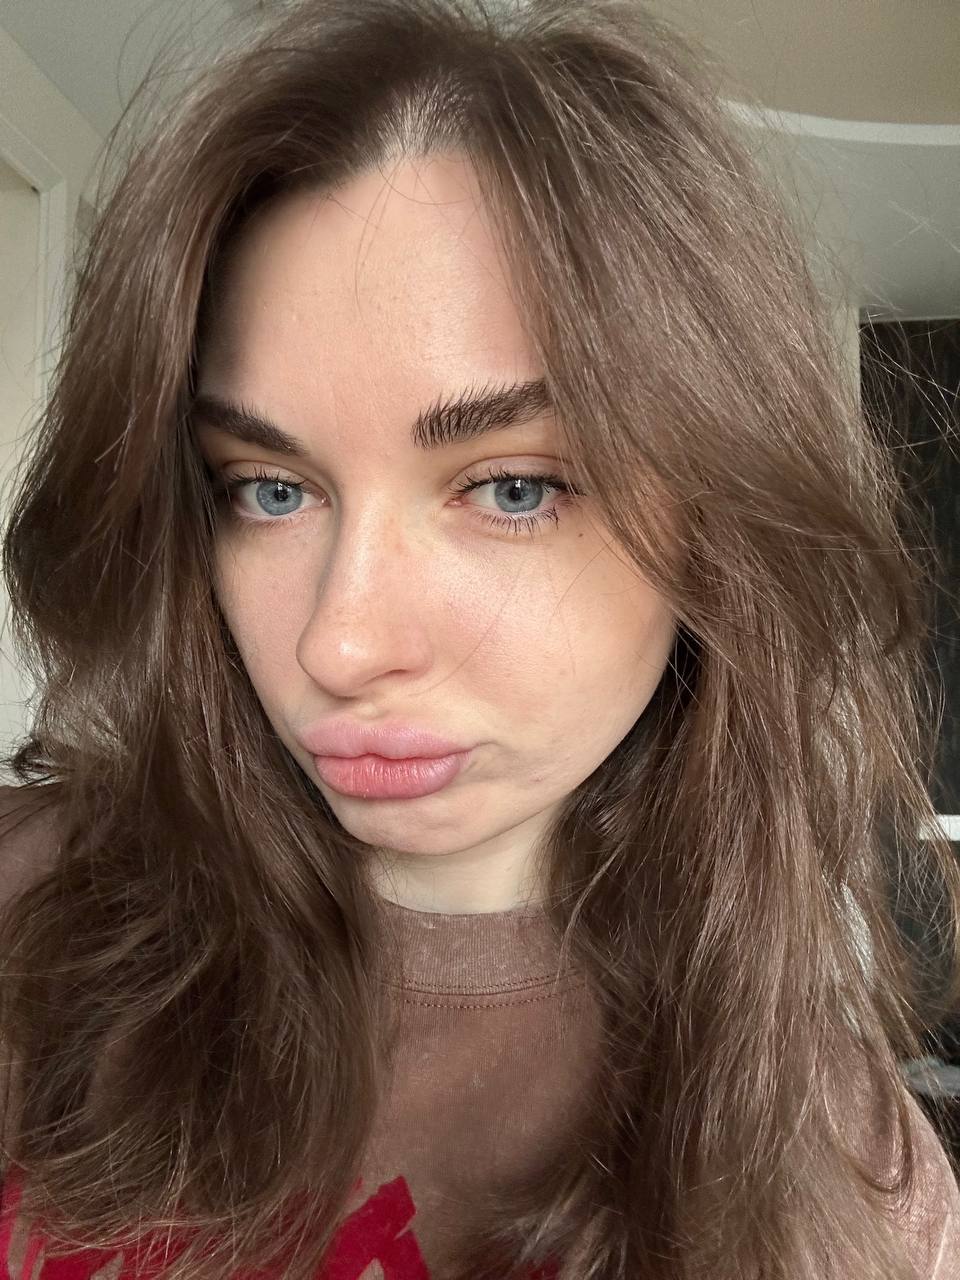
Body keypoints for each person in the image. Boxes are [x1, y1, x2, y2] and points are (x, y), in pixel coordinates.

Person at [0, 1, 957, 1277]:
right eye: (268, 489)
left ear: (715, 526)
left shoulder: (845, 1175)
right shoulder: (29, 904)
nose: (340, 645)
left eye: (512, 487)